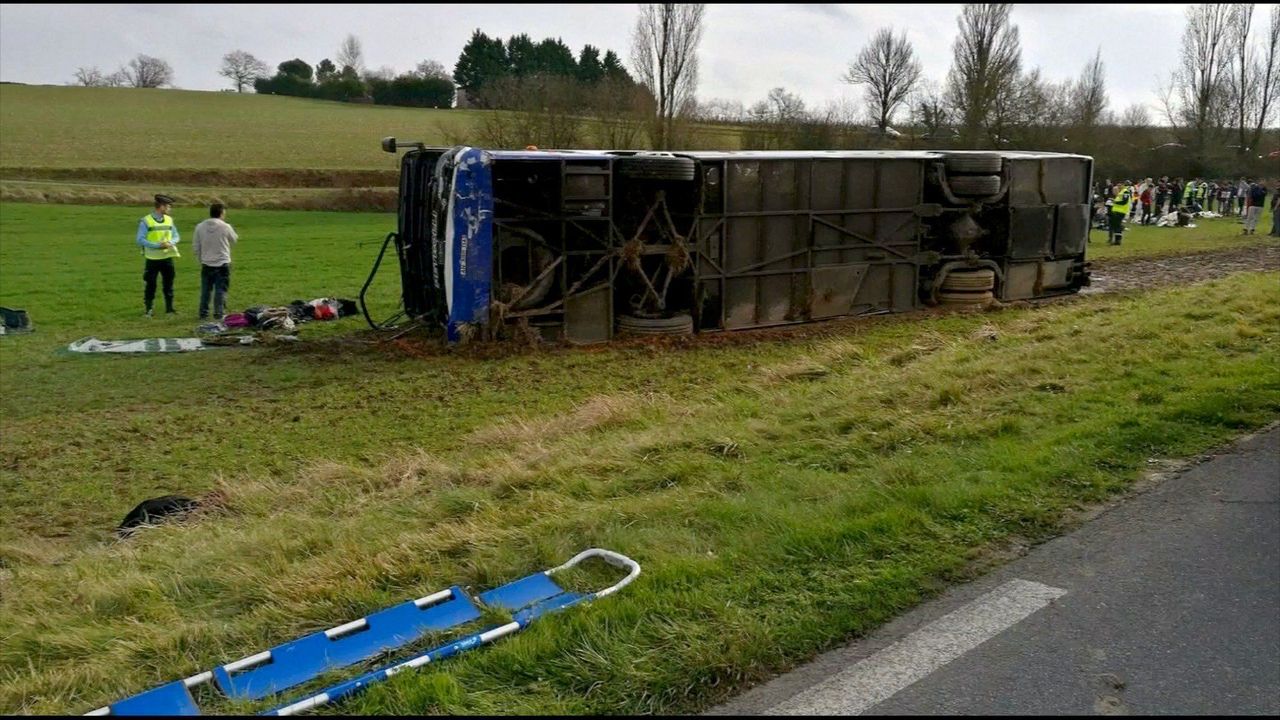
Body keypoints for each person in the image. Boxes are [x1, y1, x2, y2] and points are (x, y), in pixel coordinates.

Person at [193, 202, 239, 319]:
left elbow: (196, 246)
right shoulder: (225, 226)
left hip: (206, 262)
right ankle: (219, 313)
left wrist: (201, 259)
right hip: (222, 262)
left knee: (205, 290)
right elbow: (234, 239)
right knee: (221, 290)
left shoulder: (200, 227)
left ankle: (203, 313)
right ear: (222, 213)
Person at [136, 194, 180, 317]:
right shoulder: (146, 221)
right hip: (152, 259)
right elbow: (140, 240)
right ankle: (149, 309)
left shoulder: (169, 220)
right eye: (168, 206)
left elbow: (176, 236)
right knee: (151, 285)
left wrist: (170, 243)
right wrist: (157, 246)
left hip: (167, 258)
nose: (170, 209)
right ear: (161, 206)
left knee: (169, 285)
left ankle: (170, 309)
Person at [1109, 181, 1132, 246]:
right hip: (1117, 211)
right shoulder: (1121, 192)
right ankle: (1117, 240)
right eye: (1117, 185)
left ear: (1123, 185)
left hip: (1121, 211)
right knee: (1116, 226)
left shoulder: (1125, 192)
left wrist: (1115, 202)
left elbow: (1124, 202)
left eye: (1119, 185)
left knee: (1117, 226)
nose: (1118, 187)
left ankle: (1118, 241)